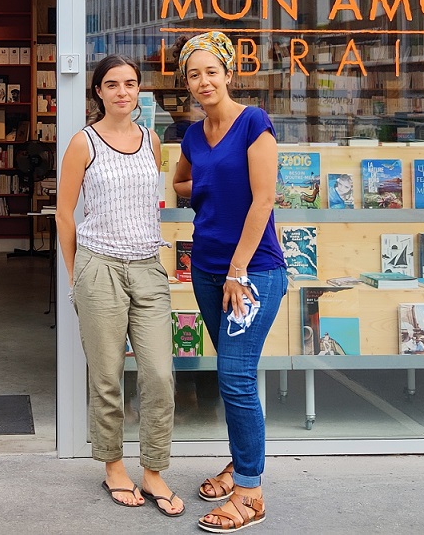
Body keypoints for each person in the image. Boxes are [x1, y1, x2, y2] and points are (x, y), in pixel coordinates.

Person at [55, 54, 185, 518]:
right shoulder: (83, 142)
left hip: (147, 266)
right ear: (98, 91)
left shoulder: (152, 140)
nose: (122, 92)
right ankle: (113, 466)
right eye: (112, 84)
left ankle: (153, 469)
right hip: (100, 268)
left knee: (159, 375)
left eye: (130, 83)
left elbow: (151, 201)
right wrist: (76, 274)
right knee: (107, 375)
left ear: (139, 90)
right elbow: (64, 214)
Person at [171, 31, 287, 532]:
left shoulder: (254, 123)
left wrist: (238, 271)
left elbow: (264, 200)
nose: (203, 82)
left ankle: (250, 493)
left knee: (235, 378)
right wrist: (208, 184)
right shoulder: (193, 136)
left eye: (211, 72)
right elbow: (180, 182)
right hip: (206, 269)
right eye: (194, 74)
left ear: (228, 74)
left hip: (252, 271)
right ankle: (241, 465)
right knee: (233, 375)